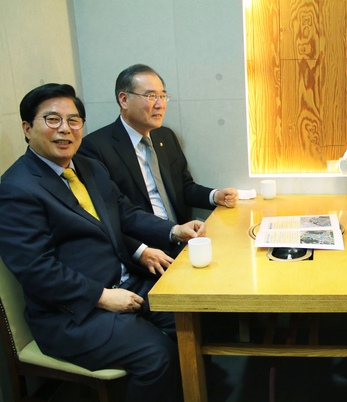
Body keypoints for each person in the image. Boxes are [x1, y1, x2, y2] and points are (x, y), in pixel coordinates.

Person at [0, 83, 208, 402]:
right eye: (52, 120)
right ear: (28, 128)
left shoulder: (89, 168)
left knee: (190, 319)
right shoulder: (17, 188)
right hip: (71, 313)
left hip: (124, 283)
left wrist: (174, 231)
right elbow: (35, 268)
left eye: (73, 120)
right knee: (158, 355)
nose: (65, 130)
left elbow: (125, 213)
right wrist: (101, 297)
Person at [78, 64, 238, 273]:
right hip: (147, 250)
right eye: (151, 96)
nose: (160, 104)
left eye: (163, 96)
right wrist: (140, 251)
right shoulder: (95, 148)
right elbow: (107, 216)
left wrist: (215, 196)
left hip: (184, 239)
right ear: (124, 99)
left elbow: (184, 187)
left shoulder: (165, 136)